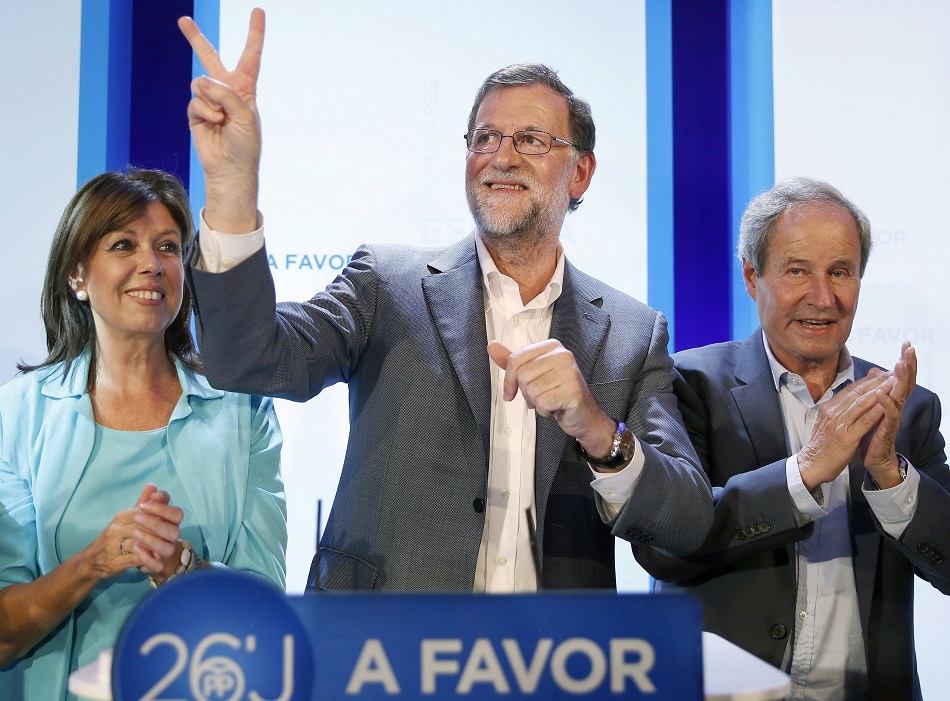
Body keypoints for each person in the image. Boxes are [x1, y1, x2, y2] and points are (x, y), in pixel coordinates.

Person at [177, 9, 712, 592]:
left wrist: (596, 429)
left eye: (531, 140)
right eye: (485, 137)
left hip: (550, 666)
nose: (501, 157)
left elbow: (687, 522)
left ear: (580, 173)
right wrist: (232, 189)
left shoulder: (632, 333)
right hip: (383, 657)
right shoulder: (387, 283)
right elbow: (248, 357)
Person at [639, 177, 950, 700]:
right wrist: (804, 472)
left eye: (841, 272)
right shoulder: (688, 384)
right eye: (798, 271)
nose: (822, 297)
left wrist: (890, 475)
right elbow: (663, 546)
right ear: (751, 277)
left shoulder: (906, 407)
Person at [0, 169, 287, 700]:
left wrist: (182, 569)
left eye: (168, 247)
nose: (151, 264)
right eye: (123, 244)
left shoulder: (242, 409)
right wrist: (94, 563)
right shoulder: (17, 412)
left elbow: (265, 607)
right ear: (77, 275)